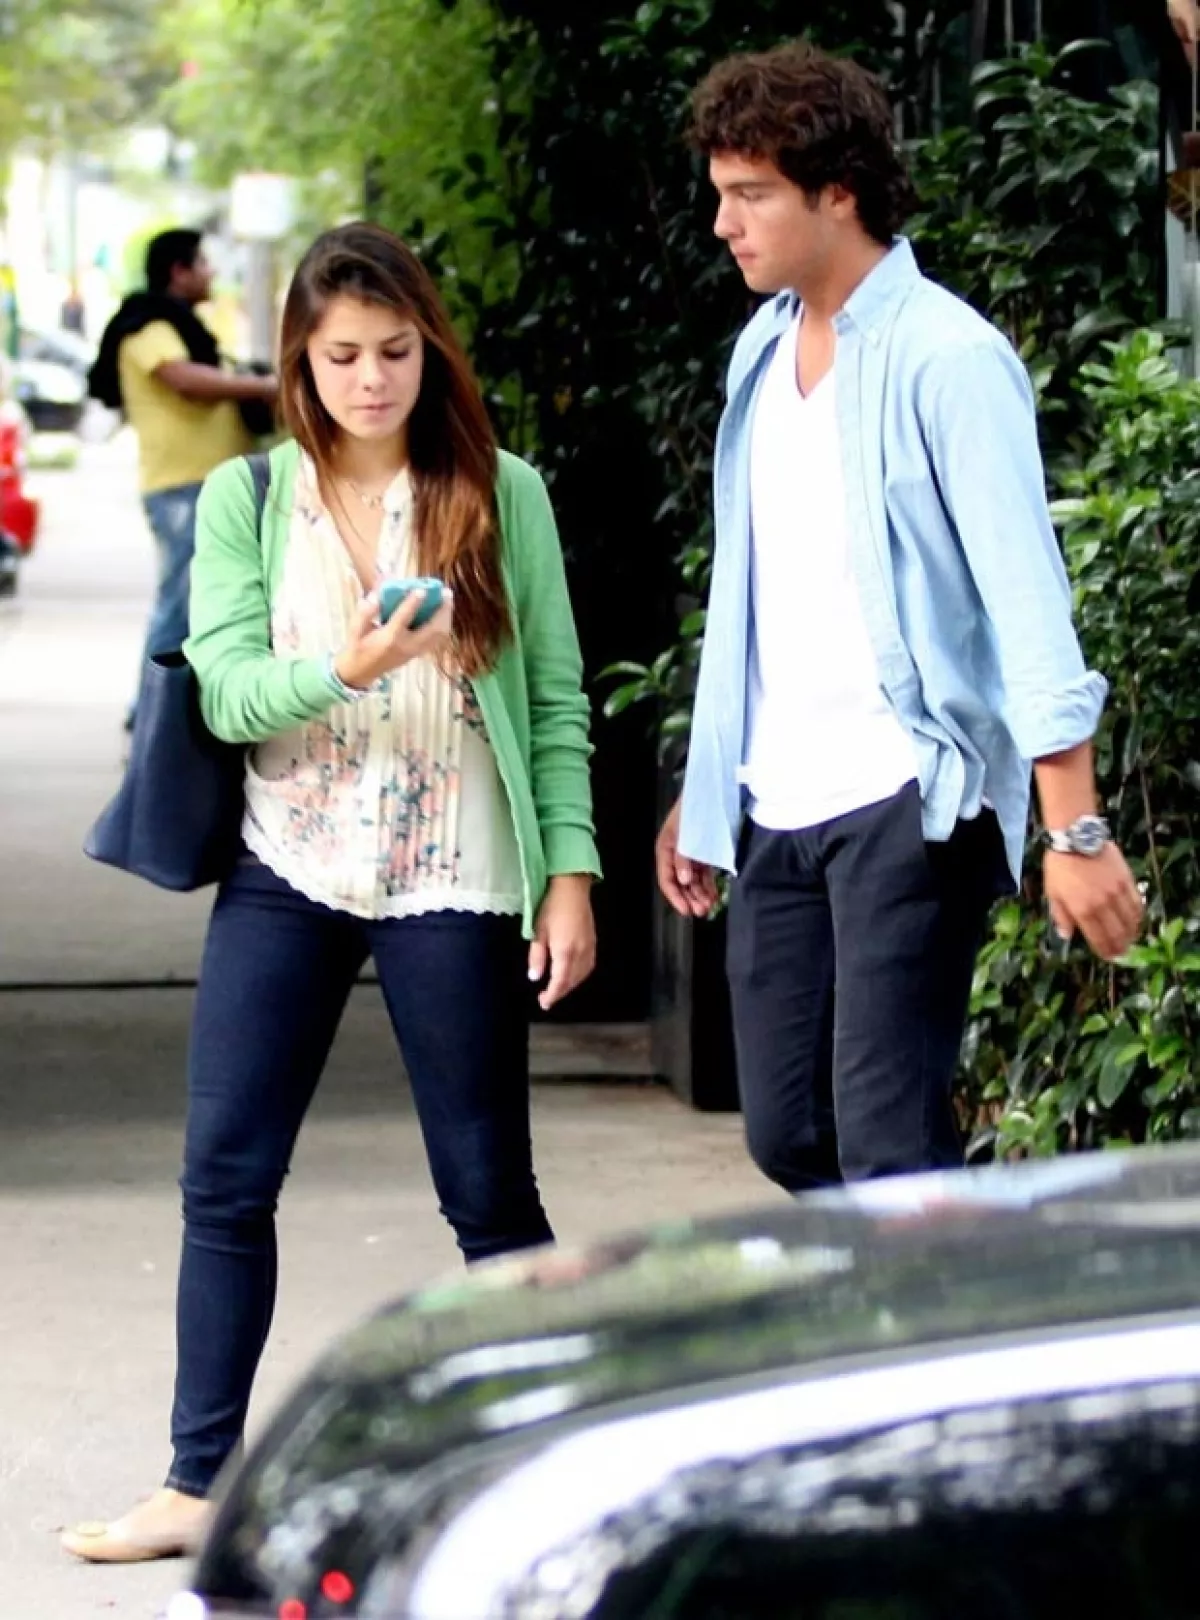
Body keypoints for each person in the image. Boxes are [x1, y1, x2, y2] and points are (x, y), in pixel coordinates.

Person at [63, 221, 600, 1563]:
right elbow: (232, 689)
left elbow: (553, 704)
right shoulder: (252, 501)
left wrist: (572, 875)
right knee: (224, 1180)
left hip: (454, 872)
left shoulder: (501, 492)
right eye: (344, 355)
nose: (372, 379)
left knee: (488, 1193)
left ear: (431, 349)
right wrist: (345, 670)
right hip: (289, 864)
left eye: (397, 352)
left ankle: (558, 1463)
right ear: (302, 360)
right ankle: (197, 1481)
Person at [655, 42, 1143, 1195]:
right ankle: (916, 1308)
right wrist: (708, 779)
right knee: (787, 1134)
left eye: (749, 195)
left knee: (889, 1144)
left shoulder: (951, 360)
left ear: (839, 191)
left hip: (907, 804)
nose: (724, 223)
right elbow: (759, 595)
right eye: (720, 195)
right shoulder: (760, 355)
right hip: (779, 800)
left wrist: (1072, 829)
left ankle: (924, 1353)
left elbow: (1028, 604)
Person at [87, 229, 278, 727]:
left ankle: (163, 714)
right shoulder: (148, 326)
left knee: (202, 604)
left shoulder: (180, 326)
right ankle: (152, 716)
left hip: (203, 485)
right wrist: (260, 385)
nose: (211, 273)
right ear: (178, 270)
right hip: (182, 487)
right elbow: (184, 380)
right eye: (203, 263)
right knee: (179, 608)